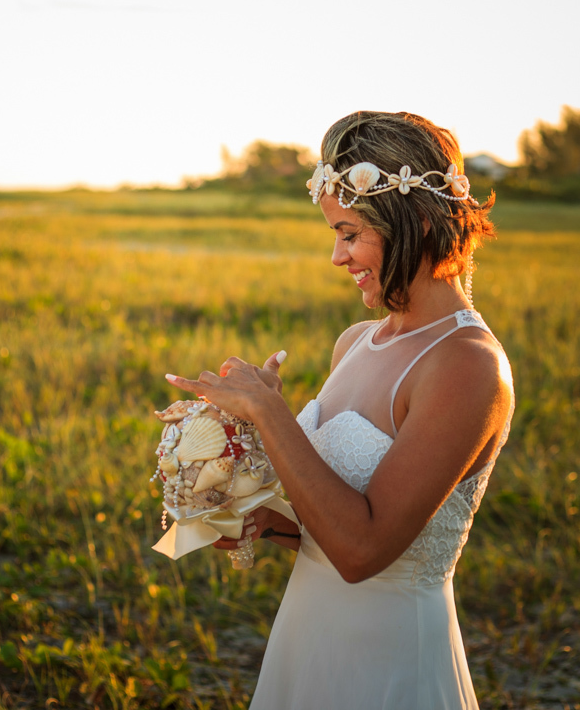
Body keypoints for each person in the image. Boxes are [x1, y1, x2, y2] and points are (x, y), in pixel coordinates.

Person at [165, 110, 514, 709]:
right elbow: (330, 522)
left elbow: (363, 551)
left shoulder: (467, 365)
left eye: (350, 234)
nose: (337, 257)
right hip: (310, 634)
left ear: (417, 225)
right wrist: (263, 522)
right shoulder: (355, 342)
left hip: (390, 659)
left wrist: (269, 414)